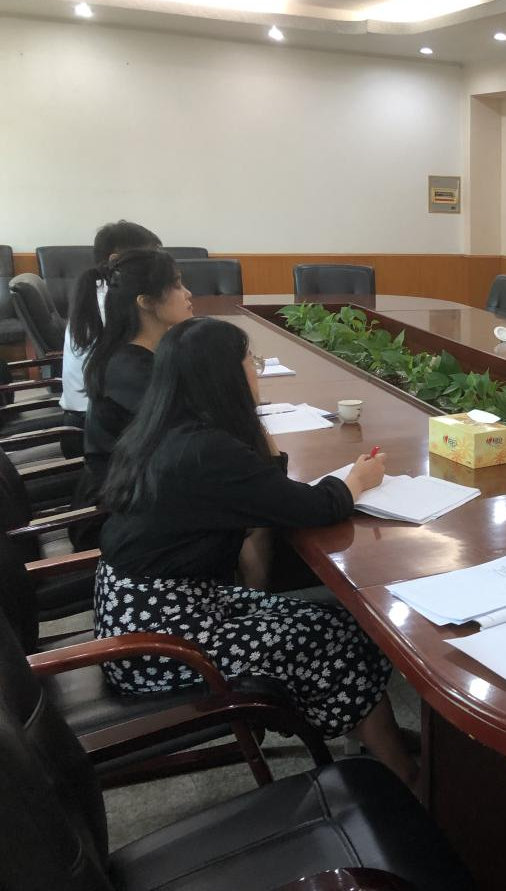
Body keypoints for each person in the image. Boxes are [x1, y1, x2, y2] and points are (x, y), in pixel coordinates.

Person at [94, 317, 422, 794]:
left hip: (148, 613)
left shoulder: (163, 428)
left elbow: (264, 491)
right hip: (163, 643)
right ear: (225, 375)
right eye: (252, 361)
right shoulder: (206, 450)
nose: (257, 370)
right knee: (333, 638)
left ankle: (372, 737)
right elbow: (311, 507)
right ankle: (401, 772)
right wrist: (357, 480)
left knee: (343, 621)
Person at [75, 249, 193, 541]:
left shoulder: (142, 353)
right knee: (249, 516)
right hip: (117, 515)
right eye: (177, 285)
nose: (188, 293)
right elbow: (192, 432)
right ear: (146, 302)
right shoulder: (129, 370)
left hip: (139, 489)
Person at [61, 221, 162, 454]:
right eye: (149, 258)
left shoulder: (99, 293)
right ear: (116, 259)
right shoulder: (112, 306)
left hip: (98, 418)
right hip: (95, 433)